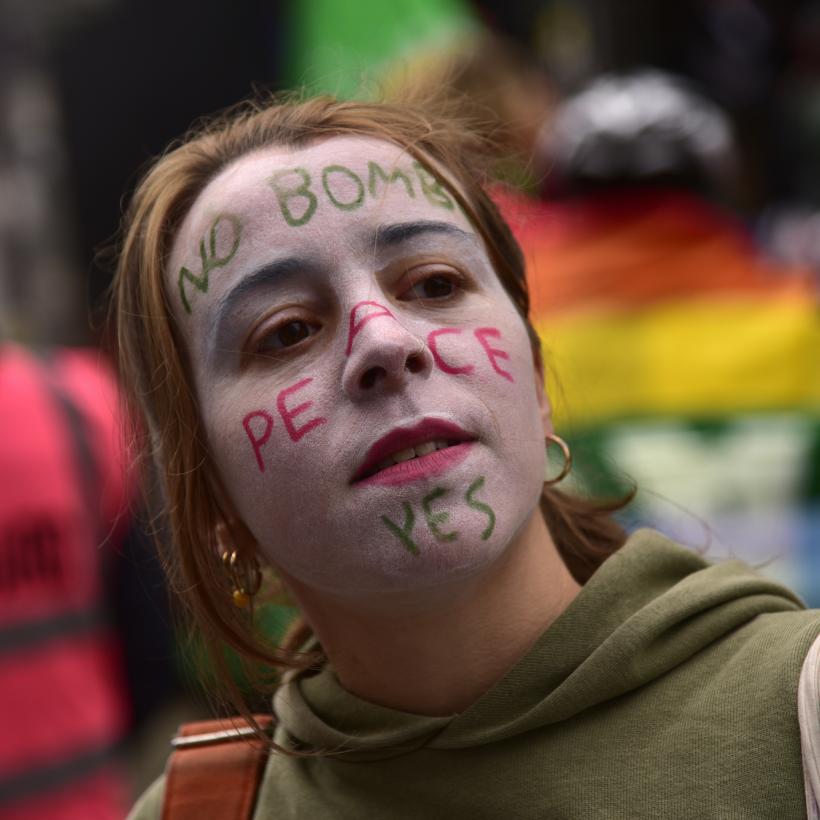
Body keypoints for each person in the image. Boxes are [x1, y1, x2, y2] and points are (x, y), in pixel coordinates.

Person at [115, 95, 820, 819]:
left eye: (435, 284)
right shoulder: (191, 813)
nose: (386, 342)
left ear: (537, 380)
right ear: (213, 501)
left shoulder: (799, 716)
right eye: (288, 331)